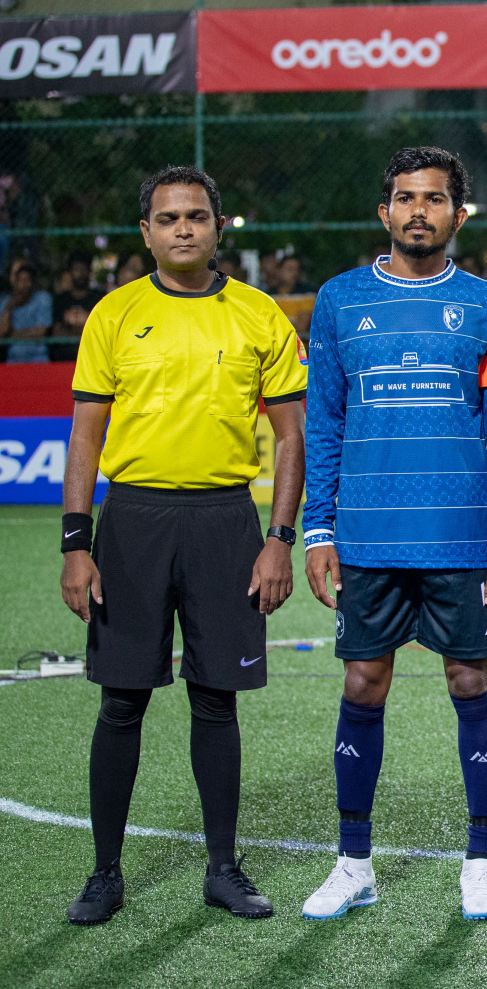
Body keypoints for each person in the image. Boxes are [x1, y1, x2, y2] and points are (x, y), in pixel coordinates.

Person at [58, 165, 307, 925]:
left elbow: (291, 434)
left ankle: (223, 868)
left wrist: (279, 539)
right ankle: (105, 873)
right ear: (146, 232)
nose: (183, 229)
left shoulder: (258, 314)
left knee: (216, 700)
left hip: (228, 522)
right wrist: (77, 542)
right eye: (167, 219)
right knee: (122, 701)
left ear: (218, 226)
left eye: (196, 216)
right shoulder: (113, 314)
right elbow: (85, 433)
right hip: (133, 521)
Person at [299, 147, 487, 923]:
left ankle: (481, 860)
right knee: (363, 683)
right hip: (365, 536)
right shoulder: (337, 302)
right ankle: (353, 862)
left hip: (461, 539)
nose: (418, 211)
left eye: (435, 199)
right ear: (384, 212)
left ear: (458, 214)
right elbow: (323, 422)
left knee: (472, 682)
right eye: (405, 198)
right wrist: (317, 529)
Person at [0, 259, 52, 363]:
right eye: (20, 280)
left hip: (39, 359)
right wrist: (9, 307)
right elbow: (2, 332)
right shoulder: (6, 301)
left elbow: (41, 331)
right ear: (15, 282)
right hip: (14, 360)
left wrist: (14, 335)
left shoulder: (43, 298)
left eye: (27, 280)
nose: (24, 285)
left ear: (33, 282)